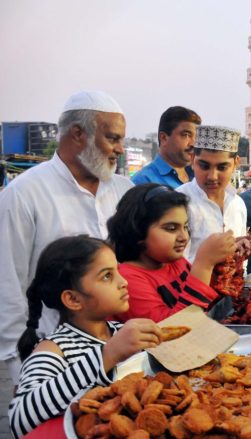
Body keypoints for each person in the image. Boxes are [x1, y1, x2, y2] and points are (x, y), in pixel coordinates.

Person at [0, 90, 133, 384]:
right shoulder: (24, 195)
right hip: (53, 354)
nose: (121, 149)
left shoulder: (123, 189)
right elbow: (9, 284)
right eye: (112, 138)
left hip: (121, 347)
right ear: (77, 134)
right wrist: (20, 364)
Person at [8, 236, 162, 437]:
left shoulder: (119, 331)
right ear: (73, 299)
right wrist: (108, 354)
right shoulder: (54, 349)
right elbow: (20, 419)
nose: (123, 282)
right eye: (107, 276)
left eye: (118, 270)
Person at [107, 184, 237, 322]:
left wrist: (227, 259)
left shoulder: (175, 262)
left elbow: (204, 298)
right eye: (171, 228)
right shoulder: (128, 280)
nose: (184, 237)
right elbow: (172, 331)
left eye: (186, 227)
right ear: (138, 232)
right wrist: (204, 264)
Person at [177, 125, 251, 263]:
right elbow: (173, 267)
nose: (212, 176)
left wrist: (239, 250)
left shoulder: (238, 204)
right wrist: (210, 257)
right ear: (193, 160)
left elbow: (241, 265)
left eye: (222, 167)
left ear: (236, 164)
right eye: (204, 166)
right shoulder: (178, 202)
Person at [132, 106, 201, 188]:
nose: (193, 143)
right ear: (164, 138)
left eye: (196, 137)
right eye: (186, 135)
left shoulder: (199, 177)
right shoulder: (143, 181)